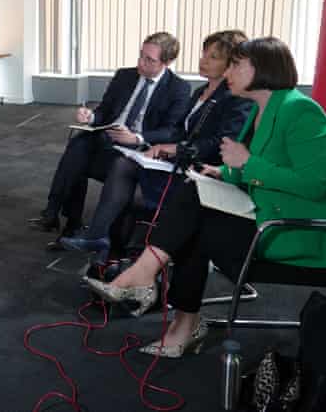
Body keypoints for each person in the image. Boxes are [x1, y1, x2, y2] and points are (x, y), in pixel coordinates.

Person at [84, 37, 326, 358]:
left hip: (294, 229)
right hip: (262, 210)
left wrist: (245, 164)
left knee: (196, 224)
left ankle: (173, 309)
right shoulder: (263, 108)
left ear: (263, 70)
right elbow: (261, 165)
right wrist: (225, 173)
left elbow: (314, 185)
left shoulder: (302, 111)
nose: (228, 73)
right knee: (192, 192)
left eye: (236, 65)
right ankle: (166, 301)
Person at [58, 30, 253, 260]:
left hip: (203, 169)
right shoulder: (201, 91)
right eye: (204, 54)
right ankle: (103, 242)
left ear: (231, 64)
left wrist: (173, 148)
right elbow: (180, 130)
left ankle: (108, 247)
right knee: (118, 162)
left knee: (124, 172)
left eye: (212, 57)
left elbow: (219, 144)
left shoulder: (235, 98)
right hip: (179, 159)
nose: (203, 60)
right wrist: (162, 146)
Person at [29, 32, 191, 248]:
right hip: (108, 138)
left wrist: (137, 137)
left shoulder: (178, 88)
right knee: (79, 146)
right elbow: (105, 110)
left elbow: (171, 131)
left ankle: (62, 218)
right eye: (141, 55)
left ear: (167, 62)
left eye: (149, 60)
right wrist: (92, 117)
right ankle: (61, 215)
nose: (140, 63)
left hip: (138, 149)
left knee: (80, 159)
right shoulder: (125, 76)